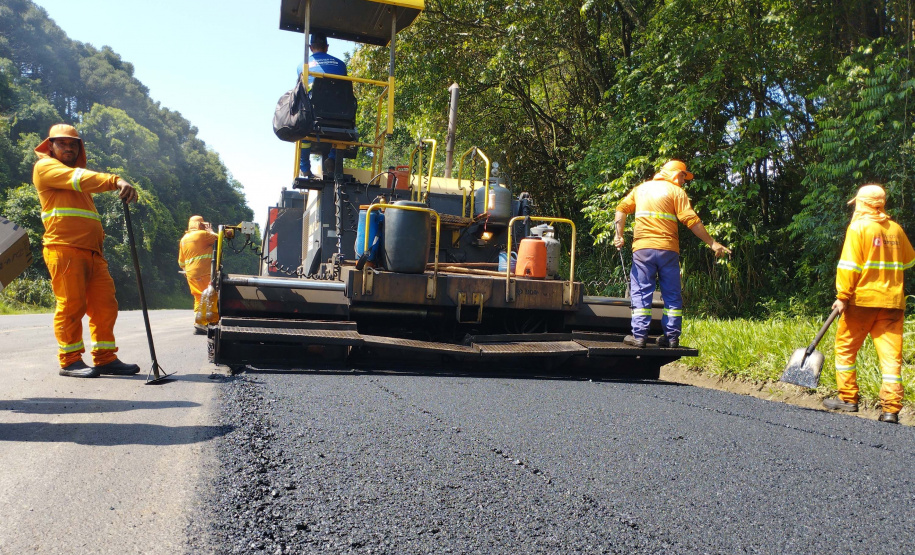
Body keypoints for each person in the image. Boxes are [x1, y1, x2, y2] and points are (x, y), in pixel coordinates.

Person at [33, 124, 141, 378]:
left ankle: (105, 358)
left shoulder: (74, 176)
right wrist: (116, 180)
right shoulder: (46, 168)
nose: (69, 148)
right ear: (50, 146)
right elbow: (83, 179)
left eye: (73, 144)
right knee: (71, 305)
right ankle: (70, 360)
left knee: (105, 305)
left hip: (92, 252)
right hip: (64, 248)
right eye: (63, 143)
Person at [613, 160, 731, 349]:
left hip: (643, 249)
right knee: (672, 294)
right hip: (668, 250)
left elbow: (621, 209)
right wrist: (712, 243)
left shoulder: (641, 189)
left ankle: (639, 337)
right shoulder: (676, 192)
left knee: (642, 292)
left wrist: (619, 235)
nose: (684, 180)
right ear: (676, 174)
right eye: (684, 176)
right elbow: (690, 219)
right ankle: (672, 338)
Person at [824, 184, 915, 424]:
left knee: (845, 350)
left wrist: (842, 296)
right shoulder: (895, 229)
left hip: (861, 302)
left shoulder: (858, 228)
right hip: (893, 303)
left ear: (863, 204)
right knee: (891, 359)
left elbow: (849, 266)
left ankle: (848, 399)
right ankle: (890, 410)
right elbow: (909, 260)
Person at [297, 31, 348, 178]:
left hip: (314, 115)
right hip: (339, 115)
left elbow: (300, 92)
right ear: (327, 47)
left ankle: (305, 167)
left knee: (304, 133)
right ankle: (332, 157)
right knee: (340, 134)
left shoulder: (302, 66)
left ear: (311, 47)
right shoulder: (340, 65)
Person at [179, 216, 218, 334]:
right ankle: (211, 321)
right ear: (200, 225)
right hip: (204, 272)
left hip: (190, 273)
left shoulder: (184, 239)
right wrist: (210, 231)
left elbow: (181, 262)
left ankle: (199, 322)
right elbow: (219, 238)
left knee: (198, 297)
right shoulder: (203, 235)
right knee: (210, 295)